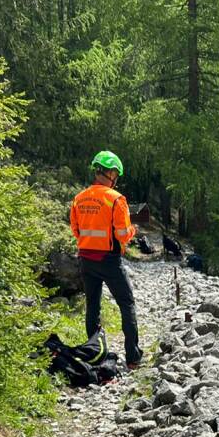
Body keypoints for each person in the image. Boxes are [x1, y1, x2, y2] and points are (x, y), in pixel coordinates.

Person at [70, 151, 143, 369]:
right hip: (109, 260)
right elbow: (122, 234)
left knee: (93, 305)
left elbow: (76, 230)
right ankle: (133, 357)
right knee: (126, 303)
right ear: (111, 173)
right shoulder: (116, 199)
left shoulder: (79, 198)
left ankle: (94, 354)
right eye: (116, 174)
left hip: (86, 258)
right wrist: (132, 231)